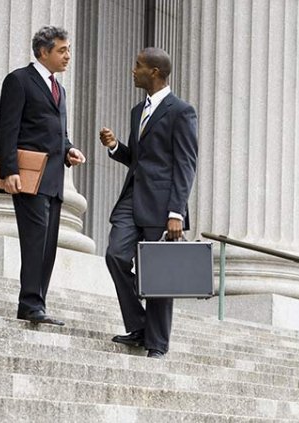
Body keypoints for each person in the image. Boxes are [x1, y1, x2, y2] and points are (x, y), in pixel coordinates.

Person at [100, 47, 198, 358]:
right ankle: (140, 325)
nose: (133, 70)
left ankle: (156, 343)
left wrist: (176, 212)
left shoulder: (182, 111)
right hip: (132, 197)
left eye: (138, 66)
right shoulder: (135, 111)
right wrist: (117, 147)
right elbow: (140, 161)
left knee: (158, 273)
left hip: (163, 204)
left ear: (154, 72)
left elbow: (185, 163)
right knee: (115, 254)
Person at [0, 26, 86, 326]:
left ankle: (37, 303)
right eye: (62, 50)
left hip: (54, 179)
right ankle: (30, 303)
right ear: (43, 52)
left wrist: (70, 149)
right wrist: (9, 171)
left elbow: (59, 133)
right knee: (34, 241)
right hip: (28, 177)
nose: (68, 56)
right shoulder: (19, 81)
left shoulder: (60, 89)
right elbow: (7, 128)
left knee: (47, 244)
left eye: (69, 49)